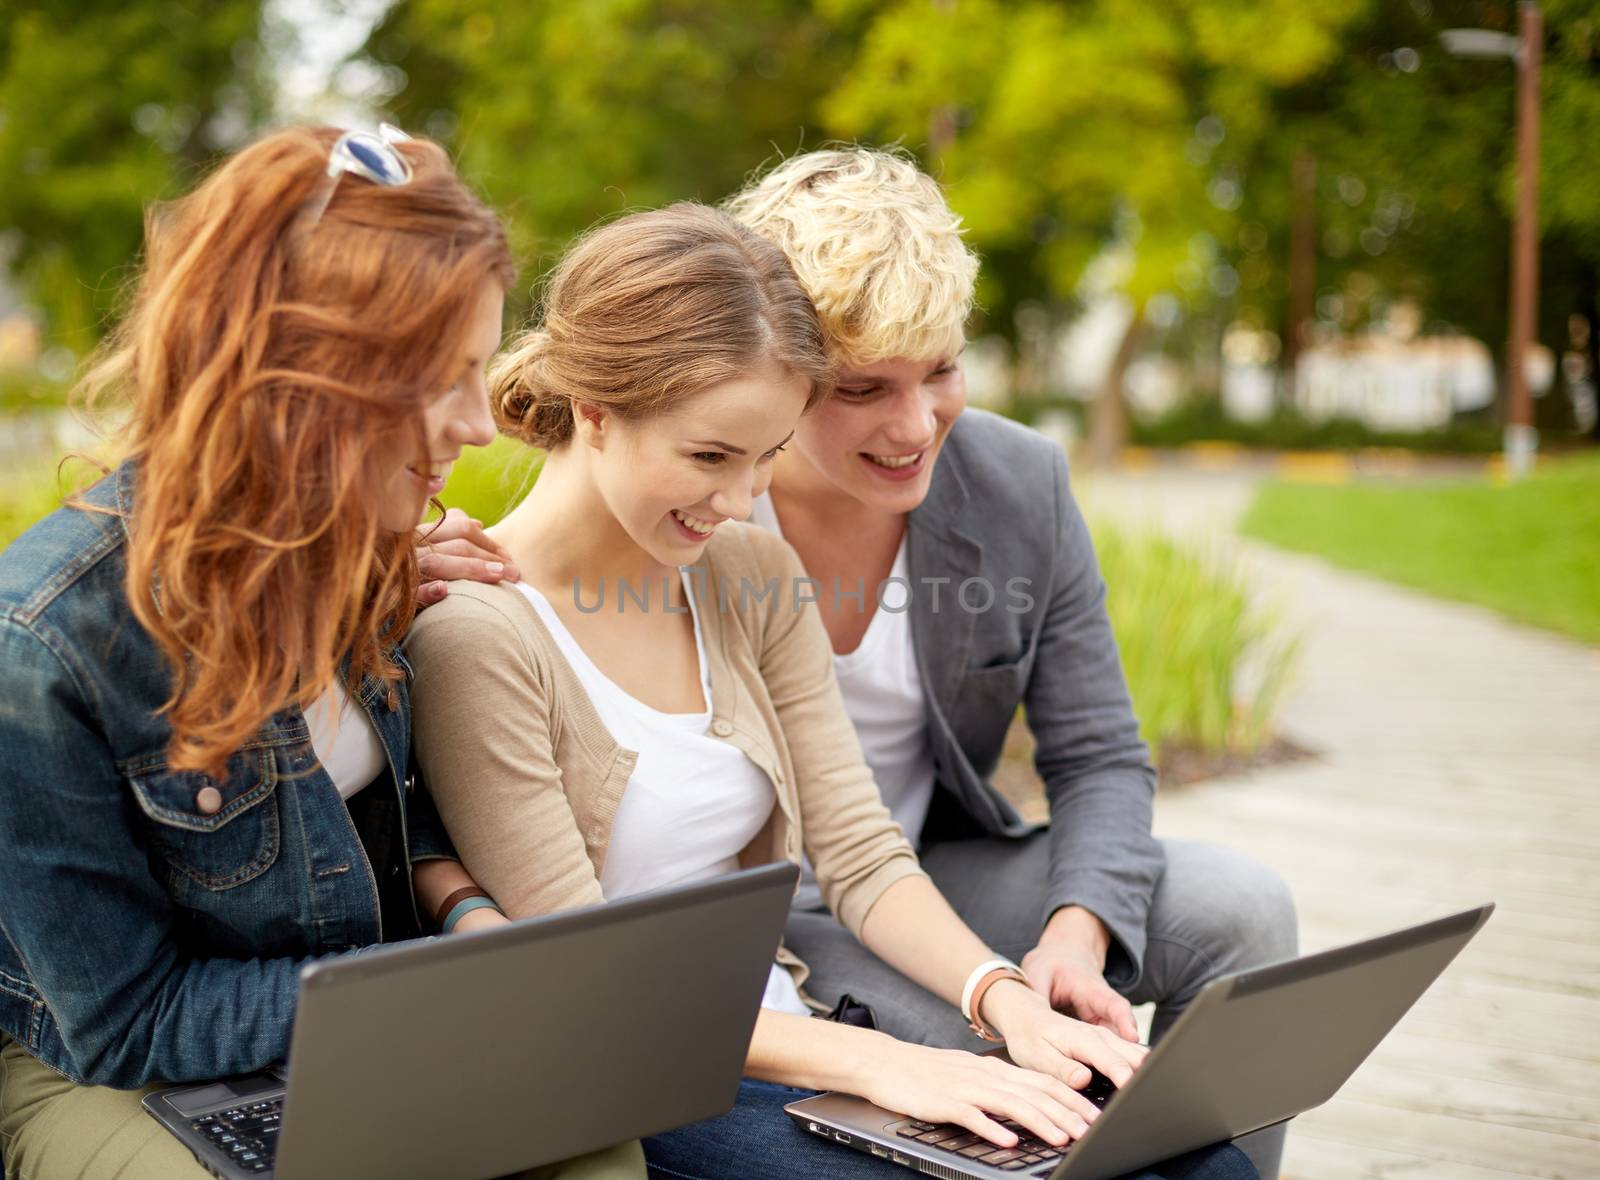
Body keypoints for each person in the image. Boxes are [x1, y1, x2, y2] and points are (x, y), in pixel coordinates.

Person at [405, 202, 1256, 1180]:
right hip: (639, 1081)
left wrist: (1004, 1001)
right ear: (594, 414)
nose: (736, 500)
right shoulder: (480, 629)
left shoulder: (750, 572)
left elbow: (856, 847)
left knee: (1203, 1167)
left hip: (783, 1032)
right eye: (710, 456)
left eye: (765, 456)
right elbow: (588, 977)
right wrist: (893, 1065)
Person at [0, 125, 636, 1179]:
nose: (481, 424)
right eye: (448, 377)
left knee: (591, 1142)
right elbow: (120, 1023)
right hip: (116, 1074)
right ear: (305, 379)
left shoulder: (356, 540)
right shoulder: (44, 647)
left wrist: (469, 918)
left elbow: (381, 805)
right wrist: (414, 990)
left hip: (358, 1013)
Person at [721, 148, 1299, 1178]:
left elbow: (1100, 754)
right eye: (862, 388)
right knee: (1002, 1075)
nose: (915, 426)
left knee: (1242, 910)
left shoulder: (1015, 482)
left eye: (939, 369)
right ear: (776, 369)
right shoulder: (699, 497)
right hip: (763, 923)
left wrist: (1073, 938)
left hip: (924, 874)